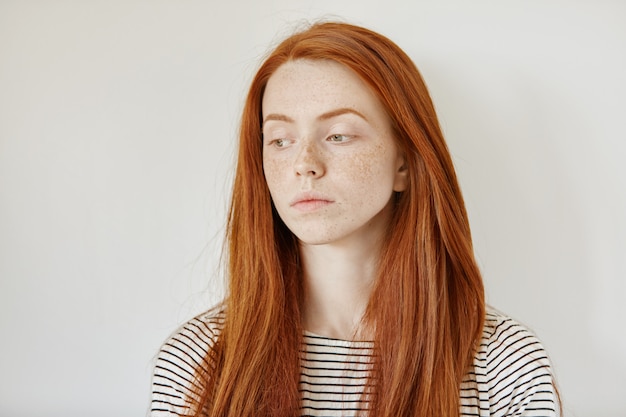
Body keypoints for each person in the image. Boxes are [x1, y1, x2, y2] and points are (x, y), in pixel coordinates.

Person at [149, 21, 560, 417]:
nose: (304, 164)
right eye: (280, 140)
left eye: (338, 135)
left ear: (404, 162)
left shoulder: (503, 364)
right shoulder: (198, 360)